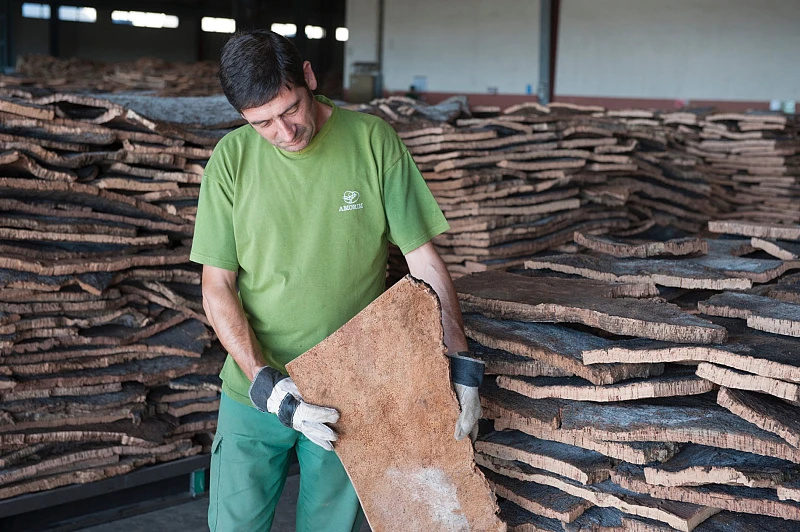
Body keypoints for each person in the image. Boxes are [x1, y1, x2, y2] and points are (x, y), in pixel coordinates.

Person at [191, 29, 484, 532]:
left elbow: (424, 262)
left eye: (290, 110)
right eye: (262, 123)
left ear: (308, 77)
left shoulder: (371, 142)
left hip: (352, 387)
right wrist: (266, 383)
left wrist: (457, 360)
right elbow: (216, 285)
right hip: (253, 392)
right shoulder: (231, 161)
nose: (283, 132)